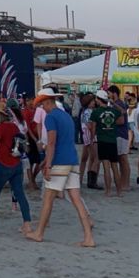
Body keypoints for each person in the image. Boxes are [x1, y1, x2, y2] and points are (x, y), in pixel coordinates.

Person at [26, 89, 95, 247]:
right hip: (72, 159)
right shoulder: (66, 115)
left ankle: (39, 233)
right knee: (76, 200)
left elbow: (51, 143)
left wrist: (48, 165)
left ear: (47, 102)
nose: (42, 107)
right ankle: (88, 237)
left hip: (60, 161)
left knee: (48, 199)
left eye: (42, 104)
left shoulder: (51, 117)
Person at [0, 101, 32, 234]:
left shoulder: (1, 127)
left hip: (4, 164)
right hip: (16, 163)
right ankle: (27, 223)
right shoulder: (14, 126)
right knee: (20, 194)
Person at [89, 89, 124, 198]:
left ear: (99, 100)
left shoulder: (96, 112)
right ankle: (119, 191)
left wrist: (91, 139)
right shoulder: (113, 111)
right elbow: (123, 112)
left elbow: (93, 128)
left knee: (106, 167)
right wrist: (113, 103)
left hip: (102, 141)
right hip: (112, 141)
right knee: (115, 168)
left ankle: (108, 191)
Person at [107, 84, 131, 191]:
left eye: (109, 93)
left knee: (123, 159)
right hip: (118, 134)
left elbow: (121, 120)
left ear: (114, 93)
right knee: (121, 159)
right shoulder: (116, 104)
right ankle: (123, 182)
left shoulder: (119, 104)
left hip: (120, 134)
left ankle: (125, 183)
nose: (108, 95)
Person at [79, 93, 100, 189]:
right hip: (91, 135)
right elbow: (90, 126)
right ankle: (91, 181)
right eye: (92, 101)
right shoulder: (89, 112)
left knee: (85, 158)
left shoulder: (84, 111)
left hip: (85, 135)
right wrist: (93, 137)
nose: (94, 102)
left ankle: (80, 179)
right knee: (95, 157)